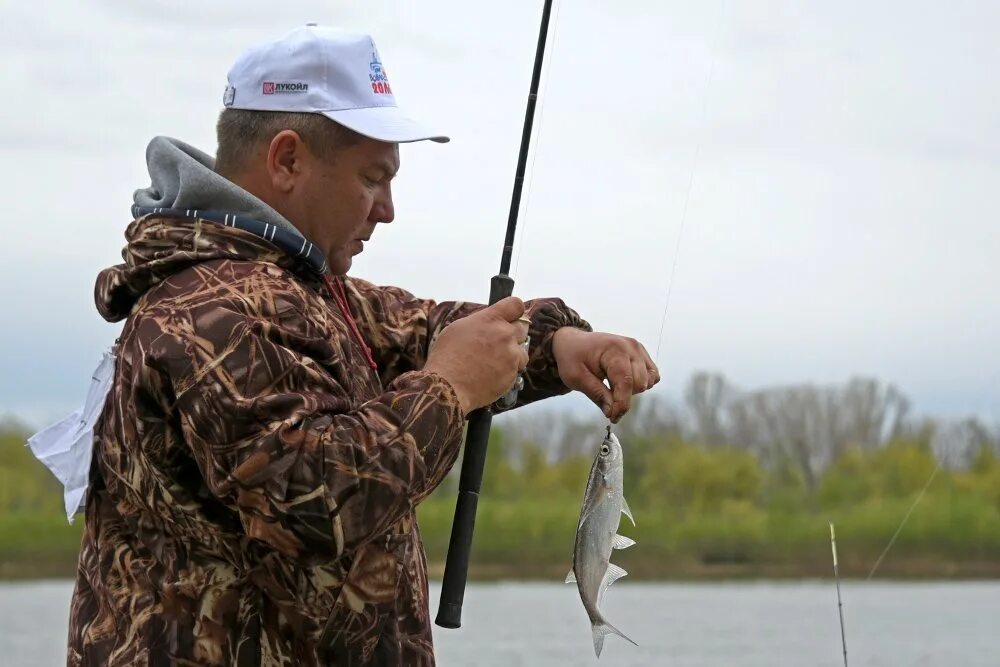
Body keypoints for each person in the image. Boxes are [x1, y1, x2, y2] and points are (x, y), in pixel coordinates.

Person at [66, 24, 659, 666]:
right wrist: (450, 387)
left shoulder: (302, 291)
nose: (388, 210)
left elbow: (425, 329)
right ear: (288, 160)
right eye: (374, 178)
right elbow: (316, 498)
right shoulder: (215, 313)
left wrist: (561, 344)